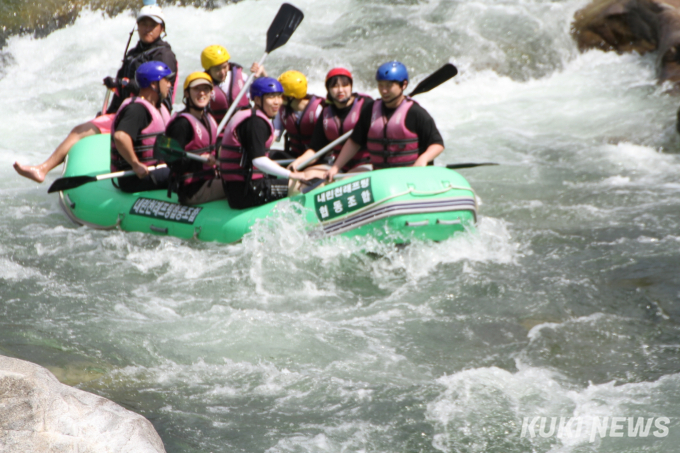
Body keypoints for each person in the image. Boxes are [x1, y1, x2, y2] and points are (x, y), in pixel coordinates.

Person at [13, 3, 178, 184]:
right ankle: (41, 169)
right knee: (81, 129)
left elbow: (155, 89)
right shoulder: (133, 53)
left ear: (161, 28)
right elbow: (121, 91)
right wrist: (111, 110)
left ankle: (42, 169)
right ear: (136, 26)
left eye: (152, 25)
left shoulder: (164, 55)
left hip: (146, 113)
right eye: (143, 23)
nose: (147, 28)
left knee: (79, 132)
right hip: (128, 110)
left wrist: (123, 83)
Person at [325, 61, 445, 182]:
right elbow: (354, 142)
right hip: (381, 179)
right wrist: (336, 167)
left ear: (403, 85)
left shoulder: (416, 113)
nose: (384, 91)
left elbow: (437, 144)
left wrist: (423, 159)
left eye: (389, 86)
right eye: (381, 85)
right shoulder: (371, 110)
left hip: (410, 178)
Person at [218, 77, 308, 209]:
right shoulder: (256, 123)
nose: (277, 102)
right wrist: (291, 175)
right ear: (258, 99)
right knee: (300, 185)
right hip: (247, 191)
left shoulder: (249, 115)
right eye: (271, 97)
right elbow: (258, 161)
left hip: (238, 187)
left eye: (279, 96)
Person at [291, 67, 374, 173]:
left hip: (364, 163)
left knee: (346, 180)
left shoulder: (366, 105)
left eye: (345, 85)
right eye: (334, 86)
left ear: (351, 86)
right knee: (304, 178)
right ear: (328, 90)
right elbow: (315, 149)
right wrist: (298, 162)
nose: (340, 90)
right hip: (336, 166)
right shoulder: (326, 112)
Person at [110, 61, 173, 193]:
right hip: (135, 177)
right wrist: (135, 164)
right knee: (181, 175)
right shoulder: (137, 110)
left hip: (156, 169)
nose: (169, 84)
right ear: (153, 84)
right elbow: (120, 137)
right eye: (166, 80)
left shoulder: (158, 107)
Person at [164, 72, 224, 205]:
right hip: (191, 190)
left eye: (206, 89)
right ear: (186, 93)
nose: (202, 93)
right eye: (197, 89)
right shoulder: (181, 124)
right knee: (236, 186)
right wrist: (200, 160)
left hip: (207, 180)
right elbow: (172, 161)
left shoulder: (208, 118)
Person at [276, 70, 324, 159]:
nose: (277, 99)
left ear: (290, 97)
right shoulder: (281, 111)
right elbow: (275, 136)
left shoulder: (319, 110)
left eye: (280, 95)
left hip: (317, 157)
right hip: (294, 156)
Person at [200, 45, 251, 126]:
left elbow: (262, 96)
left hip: (244, 128)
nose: (223, 72)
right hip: (219, 132)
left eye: (225, 67)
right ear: (208, 70)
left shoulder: (242, 78)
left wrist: (261, 74)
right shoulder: (202, 86)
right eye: (217, 69)